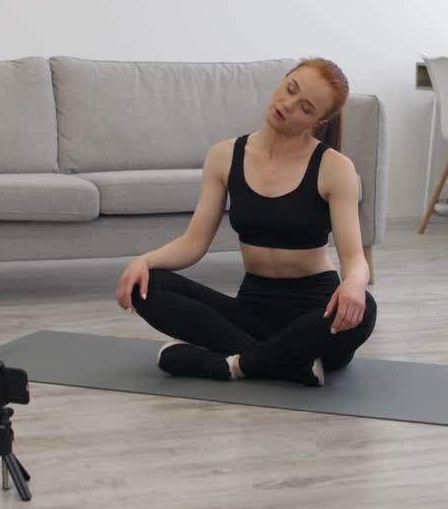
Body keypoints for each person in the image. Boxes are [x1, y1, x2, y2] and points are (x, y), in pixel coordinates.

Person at [114, 58, 377, 386]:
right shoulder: (224, 155)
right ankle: (286, 365)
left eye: (305, 108)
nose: (288, 104)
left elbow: (354, 258)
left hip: (315, 315)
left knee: (366, 309)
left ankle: (231, 364)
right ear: (282, 80)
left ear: (319, 120)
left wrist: (354, 284)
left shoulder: (334, 167)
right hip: (250, 312)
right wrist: (144, 260)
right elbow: (193, 243)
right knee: (147, 285)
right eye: (290, 89)